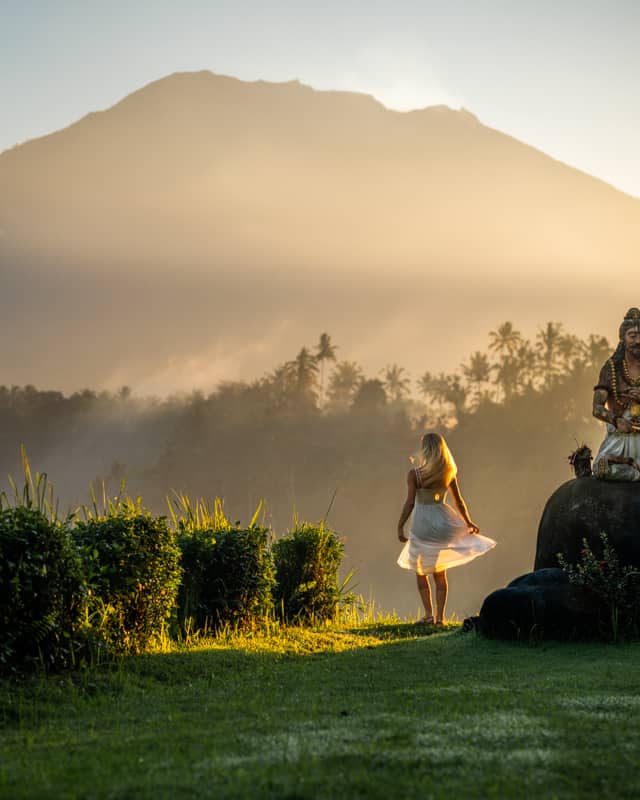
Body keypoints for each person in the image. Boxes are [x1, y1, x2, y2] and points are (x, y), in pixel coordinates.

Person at [396, 432, 496, 624]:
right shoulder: (448, 473)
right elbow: (459, 501)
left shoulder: (415, 475)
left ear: (425, 450)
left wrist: (400, 526)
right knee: (440, 571)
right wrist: (468, 522)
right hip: (442, 522)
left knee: (420, 569)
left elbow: (410, 503)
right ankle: (440, 618)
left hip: (422, 523)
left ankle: (428, 615)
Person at [592, 307, 640, 480]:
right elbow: (597, 408)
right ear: (623, 338)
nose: (638, 341)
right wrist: (617, 421)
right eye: (632, 336)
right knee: (601, 469)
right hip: (620, 437)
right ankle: (633, 470)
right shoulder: (611, 368)